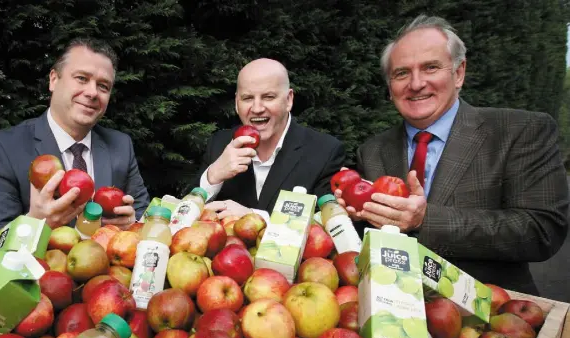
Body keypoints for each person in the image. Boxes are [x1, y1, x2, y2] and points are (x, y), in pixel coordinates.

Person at [337, 15, 569, 295]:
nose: (416, 83)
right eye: (401, 73)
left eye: (431, 67)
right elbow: (372, 238)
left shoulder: (520, 131)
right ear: (390, 88)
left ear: (459, 73)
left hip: (488, 313)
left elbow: (541, 231)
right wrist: (350, 215)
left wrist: (426, 220)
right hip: (392, 305)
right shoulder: (372, 150)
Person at [0, 38, 150, 248]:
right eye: (82, 78)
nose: (92, 93)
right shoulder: (2, 148)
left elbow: (143, 215)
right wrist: (36, 223)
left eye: (103, 86)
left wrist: (133, 224)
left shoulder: (120, 145)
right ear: (54, 80)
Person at [189, 58, 345, 220]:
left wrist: (255, 217)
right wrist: (212, 176)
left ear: (288, 100)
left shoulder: (325, 151)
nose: (257, 108)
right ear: (237, 103)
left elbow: (328, 223)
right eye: (248, 98)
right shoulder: (220, 143)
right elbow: (183, 215)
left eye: (268, 97)